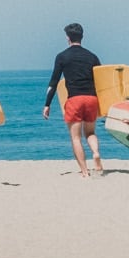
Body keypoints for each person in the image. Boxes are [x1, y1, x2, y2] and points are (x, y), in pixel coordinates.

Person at [42, 22, 104, 176]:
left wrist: (47, 105)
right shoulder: (92, 56)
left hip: (74, 100)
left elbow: (53, 83)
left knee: (76, 138)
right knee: (90, 132)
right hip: (91, 98)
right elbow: (102, 80)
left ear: (68, 38)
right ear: (82, 37)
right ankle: (95, 152)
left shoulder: (62, 56)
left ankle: (84, 172)